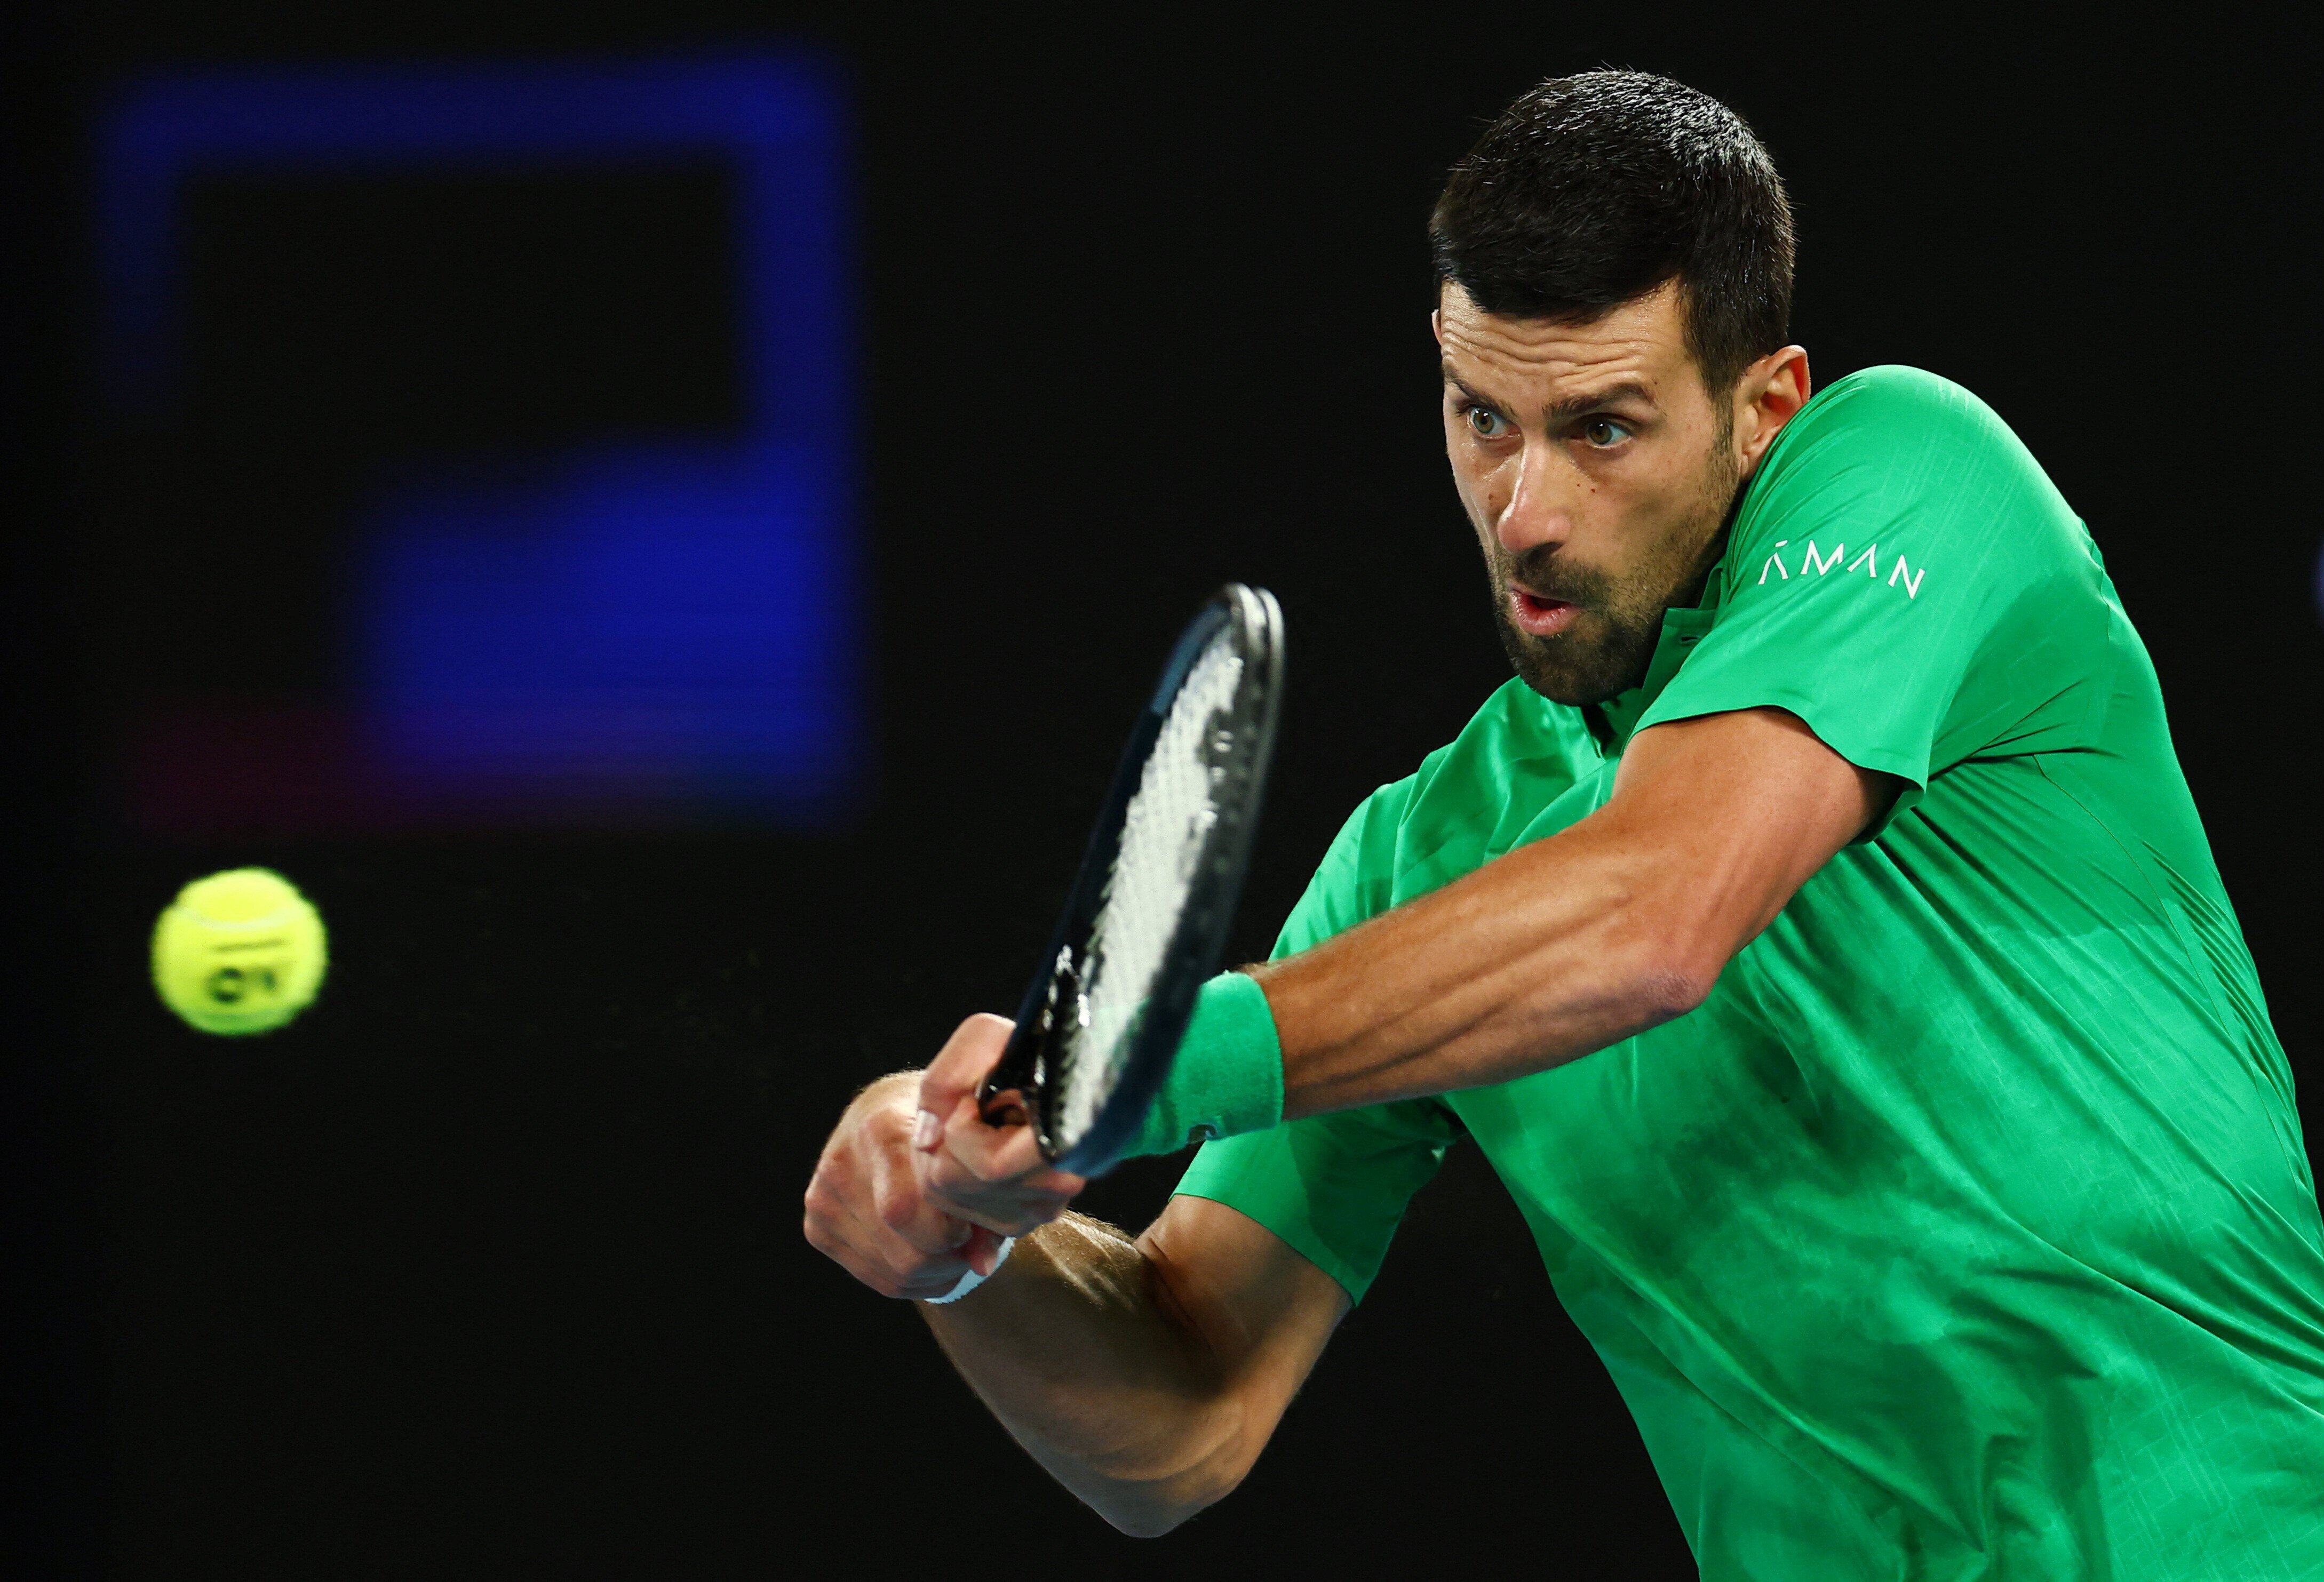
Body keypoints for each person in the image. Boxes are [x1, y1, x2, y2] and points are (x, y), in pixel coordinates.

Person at [803, 71, 2324, 1576]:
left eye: (1602, 429)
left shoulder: (1913, 472)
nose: (1523, 511)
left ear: (1763, 410)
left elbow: (1654, 916)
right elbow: (1177, 1423)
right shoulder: (1416, 866)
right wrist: (963, 1235)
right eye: (1484, 417)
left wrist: (1119, 1064)